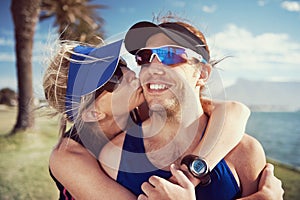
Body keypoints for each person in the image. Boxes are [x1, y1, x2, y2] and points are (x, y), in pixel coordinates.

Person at [44, 39, 283, 199]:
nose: (130, 74)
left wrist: (194, 170)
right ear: (92, 113)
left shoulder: (141, 107)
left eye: (123, 64)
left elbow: (234, 110)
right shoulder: (68, 157)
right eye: (114, 77)